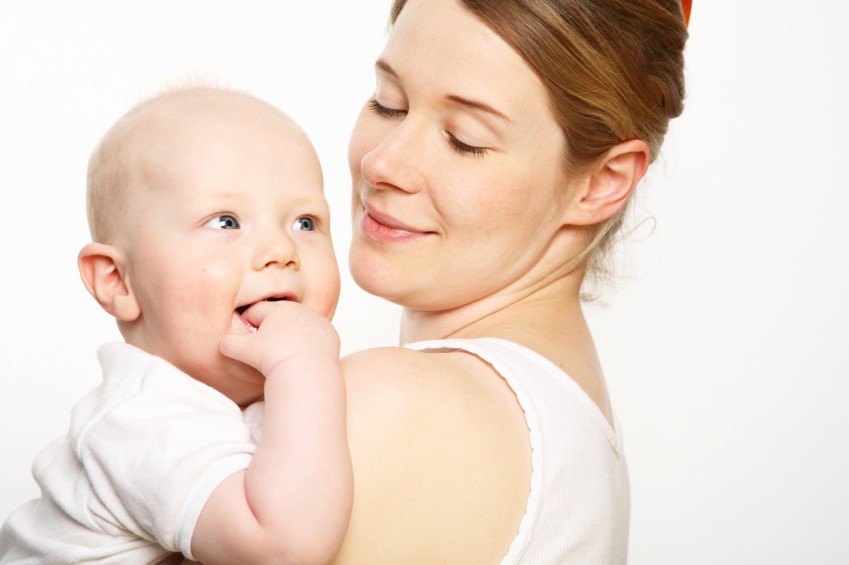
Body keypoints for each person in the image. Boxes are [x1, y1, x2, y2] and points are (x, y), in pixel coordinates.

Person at [330, 0, 689, 563]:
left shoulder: (397, 409)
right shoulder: (571, 430)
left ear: (602, 180)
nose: (382, 163)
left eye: (464, 138)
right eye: (389, 102)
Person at [0, 87, 352, 564]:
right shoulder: (141, 419)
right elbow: (282, 550)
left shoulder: (267, 399)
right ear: (117, 280)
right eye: (225, 222)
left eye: (305, 223)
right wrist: (307, 368)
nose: (281, 250)